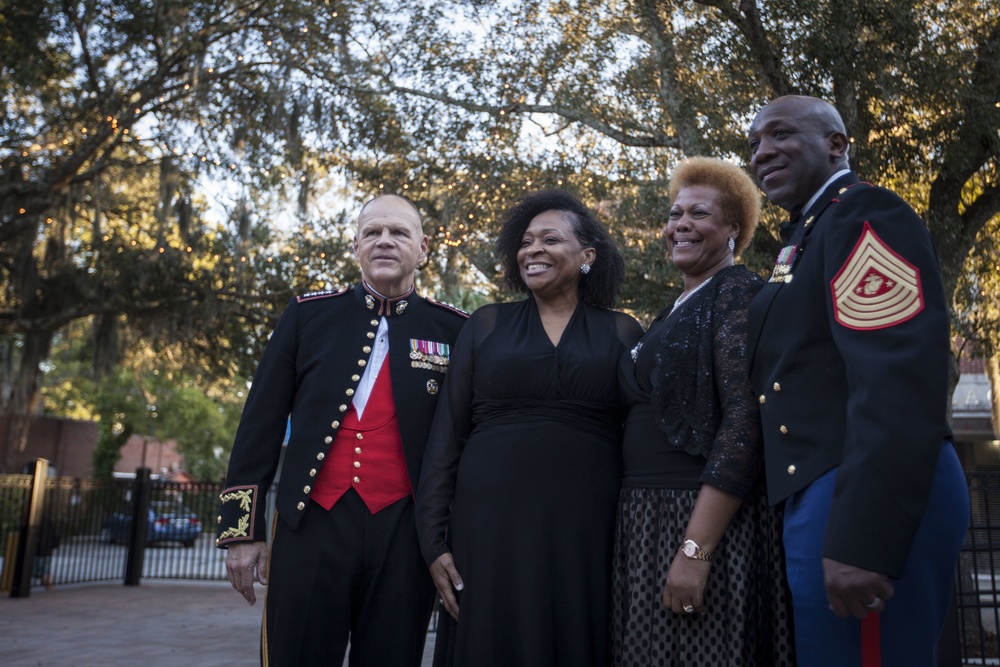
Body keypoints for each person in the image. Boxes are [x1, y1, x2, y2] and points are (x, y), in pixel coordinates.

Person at [746, 95, 970, 665]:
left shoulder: (862, 213)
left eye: (780, 134)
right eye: (754, 144)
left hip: (859, 487)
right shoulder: (806, 235)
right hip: (821, 489)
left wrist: (864, 537)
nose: (762, 151)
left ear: (836, 144)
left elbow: (894, 374)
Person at [216, 194, 468, 666]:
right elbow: (259, 424)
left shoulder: (456, 328)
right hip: (310, 523)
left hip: (405, 533)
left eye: (399, 232)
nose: (385, 241)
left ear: (424, 247)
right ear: (355, 246)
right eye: (372, 232)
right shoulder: (307, 315)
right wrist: (240, 532)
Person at [415, 189, 644, 666]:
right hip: (488, 528)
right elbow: (445, 438)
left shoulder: (623, 332)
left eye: (549, 239)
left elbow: (640, 437)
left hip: (586, 530)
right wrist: (433, 541)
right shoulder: (485, 325)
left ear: (587, 256)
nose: (532, 250)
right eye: (525, 241)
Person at [611, 158, 795, 666]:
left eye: (699, 213)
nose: (680, 225)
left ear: (734, 229)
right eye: (674, 214)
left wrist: (696, 550)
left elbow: (744, 422)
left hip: (695, 517)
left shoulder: (737, 292)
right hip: (646, 517)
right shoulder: (676, 307)